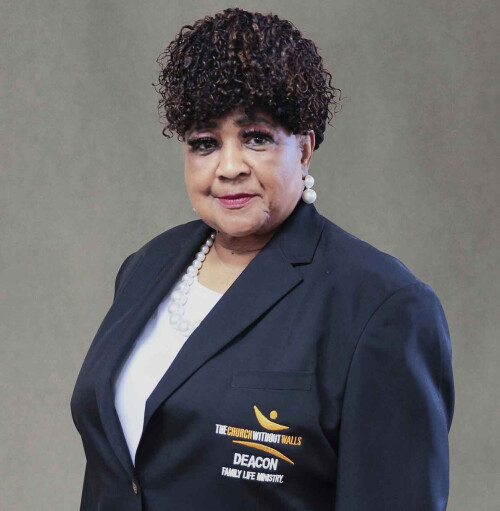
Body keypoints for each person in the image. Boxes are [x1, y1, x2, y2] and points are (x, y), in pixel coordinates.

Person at [70, 7, 454, 510]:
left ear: (305, 149)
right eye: (205, 143)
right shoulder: (145, 268)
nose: (229, 167)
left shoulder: (381, 306)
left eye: (256, 138)